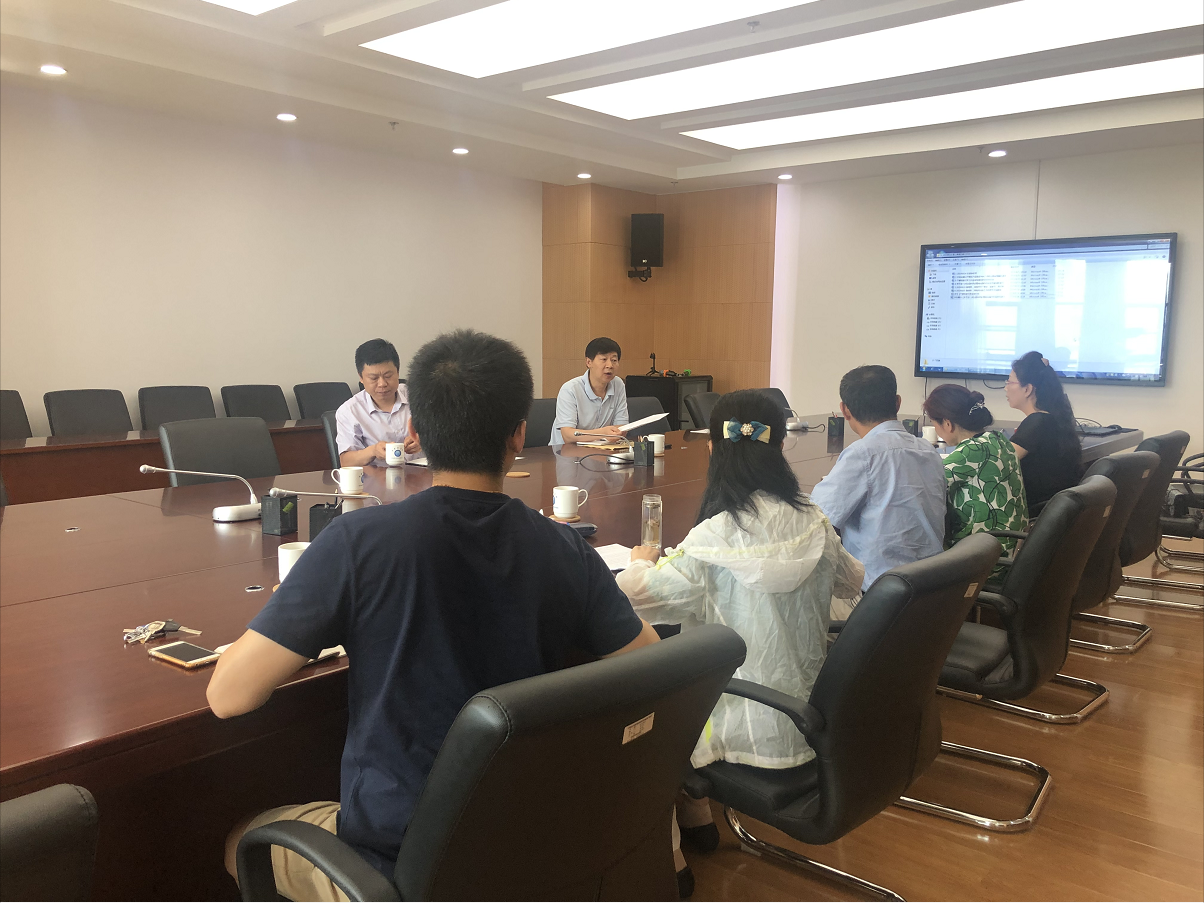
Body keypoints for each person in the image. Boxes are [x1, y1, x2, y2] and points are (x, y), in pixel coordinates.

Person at [208, 329, 660, 901]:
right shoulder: (566, 548)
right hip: (530, 833)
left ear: (416, 433)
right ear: (519, 435)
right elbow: (652, 666)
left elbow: (228, 696)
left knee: (240, 840)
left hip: (397, 856)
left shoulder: (357, 541)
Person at [615, 390, 864, 894]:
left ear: (713, 449)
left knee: (642, 705)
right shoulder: (815, 522)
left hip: (738, 724)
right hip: (811, 720)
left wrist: (641, 561)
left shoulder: (714, 538)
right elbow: (852, 582)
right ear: (780, 447)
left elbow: (638, 596)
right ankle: (697, 812)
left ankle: (671, 851)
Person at [809, 365, 945, 614]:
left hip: (879, 597)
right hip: (930, 589)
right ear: (898, 403)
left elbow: (817, 518)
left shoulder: (862, 454)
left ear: (844, 410)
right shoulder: (929, 451)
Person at [923, 384, 1027, 568]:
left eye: (934, 423)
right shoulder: (998, 439)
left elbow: (923, 485)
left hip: (985, 561)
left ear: (947, 423)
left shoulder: (971, 452)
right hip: (1012, 552)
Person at [1004, 350, 1083, 508]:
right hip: (1053, 509)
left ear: (1027, 389)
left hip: (1034, 513)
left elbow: (999, 463)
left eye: (1009, 382)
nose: (1005, 388)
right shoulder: (1053, 419)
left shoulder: (1037, 422)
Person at [334, 338, 421, 466]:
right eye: (374, 378)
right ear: (361, 377)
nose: (382, 384)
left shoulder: (418, 395)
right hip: (379, 477)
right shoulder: (349, 411)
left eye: (388, 376)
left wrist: (424, 440)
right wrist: (373, 451)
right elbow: (346, 462)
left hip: (424, 474)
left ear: (397, 372)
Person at [551, 336, 630, 447]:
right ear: (589, 362)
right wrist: (603, 433)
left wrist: (617, 433)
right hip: (564, 451)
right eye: (603, 359)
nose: (610, 365)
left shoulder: (618, 384)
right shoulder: (570, 389)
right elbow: (568, 435)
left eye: (614, 360)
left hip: (601, 449)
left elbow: (621, 426)